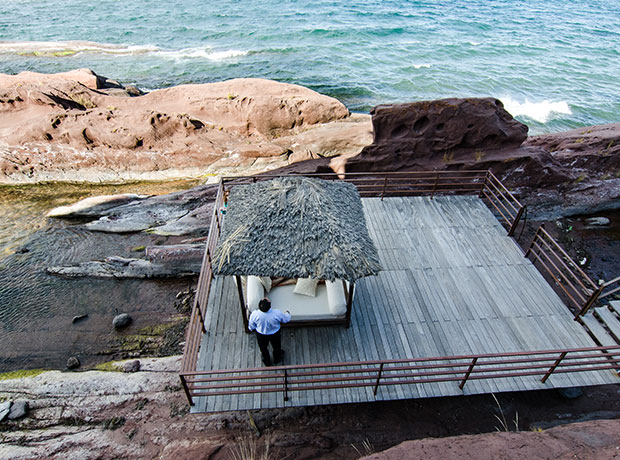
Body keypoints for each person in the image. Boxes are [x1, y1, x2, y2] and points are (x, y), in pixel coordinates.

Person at [248, 297, 291, 366]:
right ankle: (277, 359)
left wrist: (251, 328)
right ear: (270, 306)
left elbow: (251, 325)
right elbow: (286, 319)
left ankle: (267, 361)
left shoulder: (255, 314)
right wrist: (287, 313)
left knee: (263, 348)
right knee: (276, 347)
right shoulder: (276, 313)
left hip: (261, 334)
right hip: (275, 334)